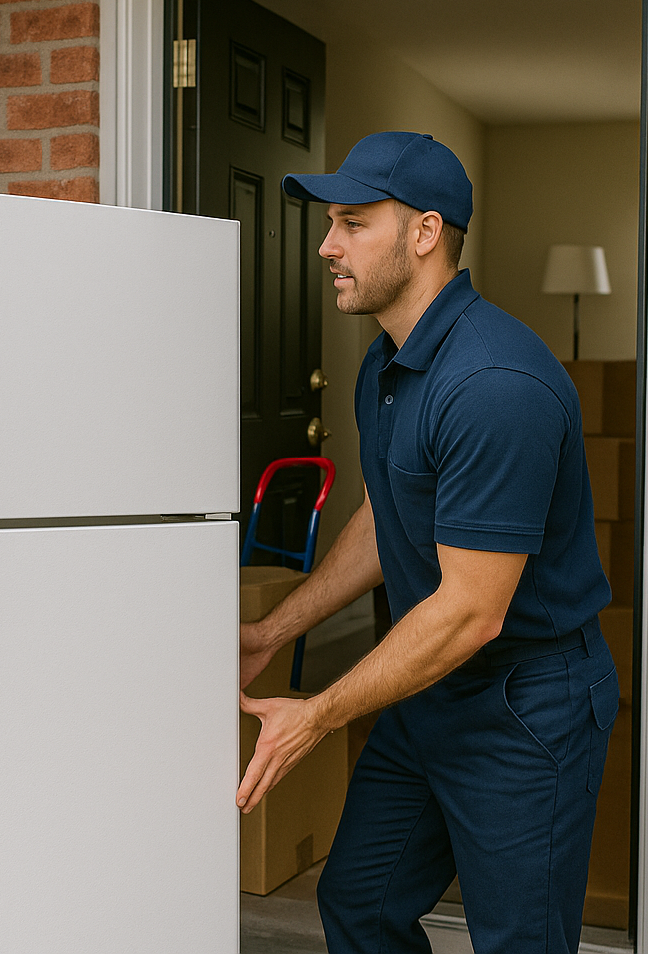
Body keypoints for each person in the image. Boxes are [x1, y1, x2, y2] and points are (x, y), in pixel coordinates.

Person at [238, 131, 618, 953]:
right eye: (330, 224)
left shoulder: (492, 384)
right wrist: (271, 633)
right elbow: (388, 517)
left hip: (525, 704)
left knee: (519, 941)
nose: (326, 246)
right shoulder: (390, 365)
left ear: (425, 233)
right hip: (432, 690)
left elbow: (471, 614)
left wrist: (316, 715)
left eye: (352, 223)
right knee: (361, 903)